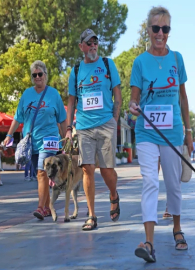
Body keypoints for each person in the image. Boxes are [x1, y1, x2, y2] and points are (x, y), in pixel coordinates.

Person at [128, 6, 192, 262]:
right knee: (150, 183)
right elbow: (134, 99)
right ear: (148, 29)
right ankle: (149, 243)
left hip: (173, 131)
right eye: (156, 28)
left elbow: (183, 97)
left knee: (173, 184)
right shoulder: (140, 62)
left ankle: (177, 228)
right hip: (146, 131)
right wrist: (133, 107)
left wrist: (188, 131)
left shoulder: (177, 59)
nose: (160, 33)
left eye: (165, 29)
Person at [65, 28, 122, 231]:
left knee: (107, 170)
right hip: (84, 127)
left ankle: (113, 194)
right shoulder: (76, 70)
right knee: (87, 169)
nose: (93, 46)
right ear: (81, 47)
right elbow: (71, 102)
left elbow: (117, 94)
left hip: (106, 124)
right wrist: (69, 128)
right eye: (88, 43)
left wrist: (114, 120)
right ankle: (91, 215)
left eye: (95, 42)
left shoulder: (107, 64)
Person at [4, 60, 67, 220]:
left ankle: (40, 207)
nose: (37, 77)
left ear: (45, 75)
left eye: (40, 74)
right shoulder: (26, 94)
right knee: (41, 174)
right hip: (32, 141)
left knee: (42, 172)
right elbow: (18, 117)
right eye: (34, 75)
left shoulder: (54, 94)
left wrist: (66, 136)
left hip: (50, 139)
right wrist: (9, 135)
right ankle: (47, 207)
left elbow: (62, 118)